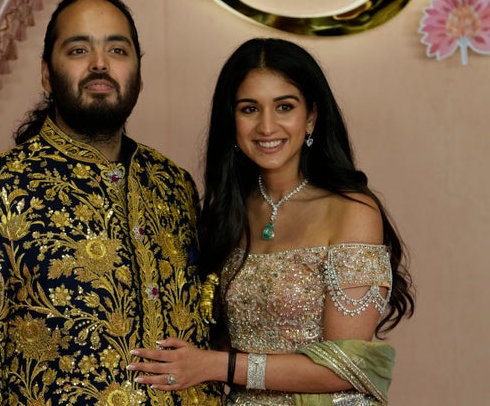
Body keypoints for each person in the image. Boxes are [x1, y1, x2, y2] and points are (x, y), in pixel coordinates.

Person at [0, 0, 222, 406]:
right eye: (79, 50)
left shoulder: (172, 185)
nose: (100, 64)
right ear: (47, 73)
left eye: (118, 50)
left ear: (139, 72)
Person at [128, 38, 415, 405]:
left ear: (310, 117)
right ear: (230, 120)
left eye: (284, 107)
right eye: (249, 109)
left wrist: (217, 366)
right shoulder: (227, 213)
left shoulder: (351, 211)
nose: (266, 126)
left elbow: (348, 367)